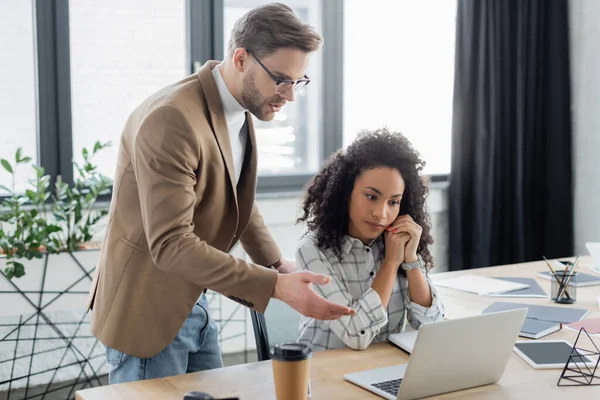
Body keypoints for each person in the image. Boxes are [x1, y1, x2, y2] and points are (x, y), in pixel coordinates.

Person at [85, 3, 354, 384]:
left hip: (194, 300)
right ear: (241, 58)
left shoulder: (241, 107)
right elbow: (171, 243)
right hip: (147, 311)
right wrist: (275, 286)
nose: (289, 96)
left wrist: (280, 266)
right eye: (281, 79)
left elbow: (238, 200)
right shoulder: (171, 119)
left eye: (298, 81)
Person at [296, 128, 445, 351]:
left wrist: (411, 259)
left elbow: (431, 327)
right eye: (371, 197)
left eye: (393, 202)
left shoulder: (397, 241)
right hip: (324, 375)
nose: (381, 214)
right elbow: (356, 335)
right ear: (346, 192)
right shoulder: (312, 249)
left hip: (380, 370)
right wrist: (391, 264)